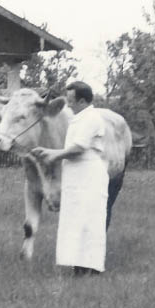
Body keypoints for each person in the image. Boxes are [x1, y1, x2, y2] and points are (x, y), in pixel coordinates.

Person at [31, 81, 109, 276]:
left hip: (89, 174)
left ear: (83, 101)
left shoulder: (91, 118)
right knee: (75, 221)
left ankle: (91, 267)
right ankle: (79, 266)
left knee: (89, 222)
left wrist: (54, 155)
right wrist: (49, 151)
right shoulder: (79, 118)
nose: (68, 104)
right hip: (76, 175)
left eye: (72, 100)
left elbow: (79, 147)